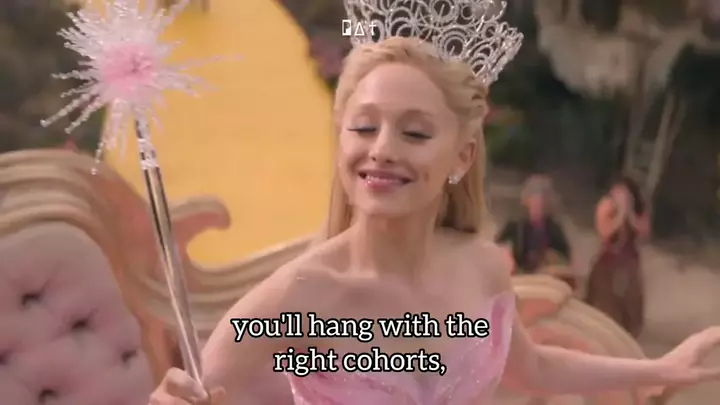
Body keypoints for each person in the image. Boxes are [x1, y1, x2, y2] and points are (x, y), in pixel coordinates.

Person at [148, 3, 720, 405]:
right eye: (364, 127)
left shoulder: (482, 265)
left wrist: (660, 367)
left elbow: (535, 367)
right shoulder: (299, 296)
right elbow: (195, 390)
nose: (382, 149)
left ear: (462, 157)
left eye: (415, 133)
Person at [586, 176, 650, 338]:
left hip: (629, 263)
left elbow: (644, 233)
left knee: (631, 310)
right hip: (608, 262)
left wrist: (630, 213)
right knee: (605, 307)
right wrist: (620, 215)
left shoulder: (639, 208)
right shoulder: (605, 206)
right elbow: (604, 233)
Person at [495, 175, 573, 286]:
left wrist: (553, 261)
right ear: (526, 202)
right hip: (520, 277)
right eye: (533, 201)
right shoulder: (516, 225)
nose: (536, 206)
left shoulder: (554, 229)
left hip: (545, 280)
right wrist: (506, 254)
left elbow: (566, 258)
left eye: (540, 203)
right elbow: (497, 246)